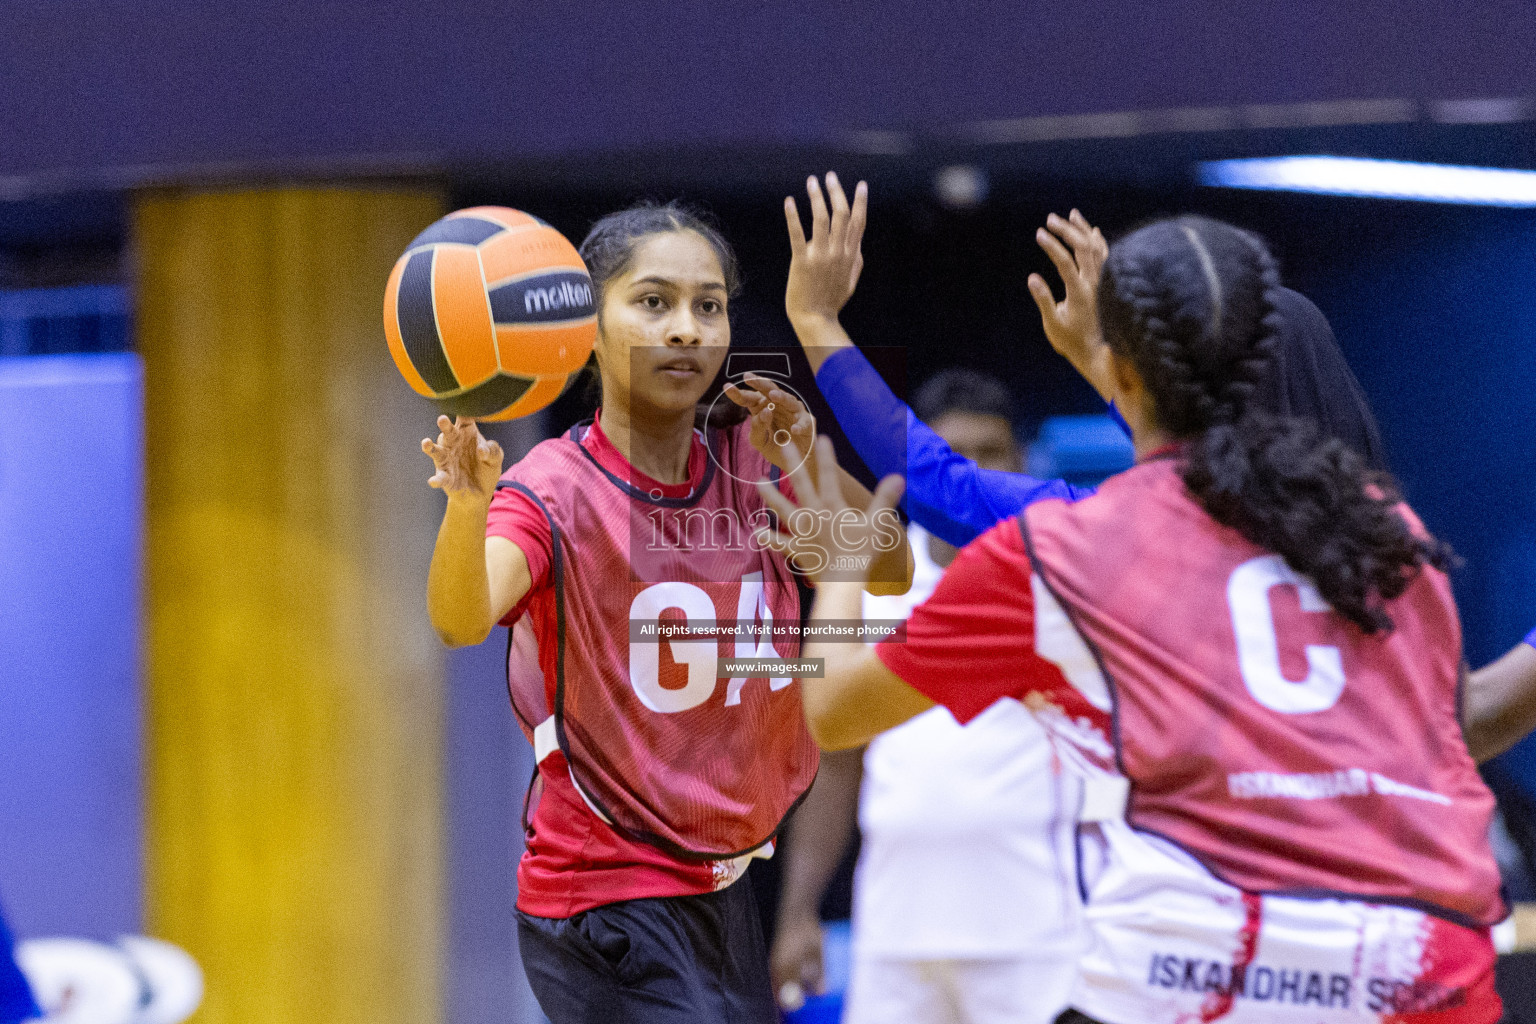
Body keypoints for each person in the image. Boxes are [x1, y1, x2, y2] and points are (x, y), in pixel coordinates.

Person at [762, 214, 1507, 1022]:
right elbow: (1462, 723)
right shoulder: (1386, 533)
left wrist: (842, 571)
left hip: (1198, 968)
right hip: (1418, 966)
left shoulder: (1070, 548)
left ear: (1119, 370)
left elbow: (834, 712)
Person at [779, 173, 1530, 764]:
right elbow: (1474, 718)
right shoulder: (1390, 544)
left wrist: (819, 327)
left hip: (1182, 930)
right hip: (1397, 926)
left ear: (1150, 381)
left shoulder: (1095, 539)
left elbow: (934, 491)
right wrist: (1113, 374)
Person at [420, 201, 907, 1024]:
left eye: (707, 306)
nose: (686, 328)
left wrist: (803, 457)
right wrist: (467, 510)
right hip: (605, 893)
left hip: (726, 882)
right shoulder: (553, 486)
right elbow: (464, 618)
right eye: (654, 302)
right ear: (589, 326)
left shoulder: (755, 456)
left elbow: (886, 565)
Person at [773, 368, 1084, 1024]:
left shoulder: (1058, 578)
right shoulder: (867, 575)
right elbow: (836, 755)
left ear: (1021, 462)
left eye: (989, 455)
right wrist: (799, 907)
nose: (967, 476)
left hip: (1038, 933)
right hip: (897, 926)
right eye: (951, 458)